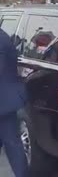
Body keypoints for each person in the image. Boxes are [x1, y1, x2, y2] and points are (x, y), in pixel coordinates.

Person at [0, 27, 28, 177]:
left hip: (4, 103)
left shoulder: (1, 40)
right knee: (12, 144)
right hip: (5, 101)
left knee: (13, 145)